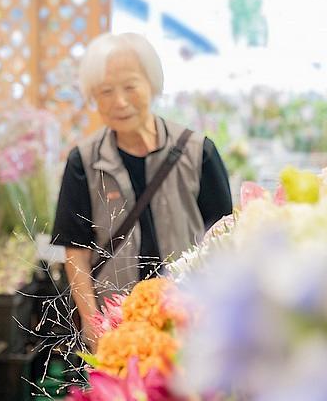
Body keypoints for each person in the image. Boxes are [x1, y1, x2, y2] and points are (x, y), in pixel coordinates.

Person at [51, 32, 232, 351]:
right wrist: (92, 323)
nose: (119, 102)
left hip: (189, 322)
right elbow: (75, 251)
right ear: (93, 97)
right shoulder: (84, 162)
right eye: (106, 91)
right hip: (117, 325)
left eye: (130, 86)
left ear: (152, 84)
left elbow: (224, 238)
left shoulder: (198, 152)